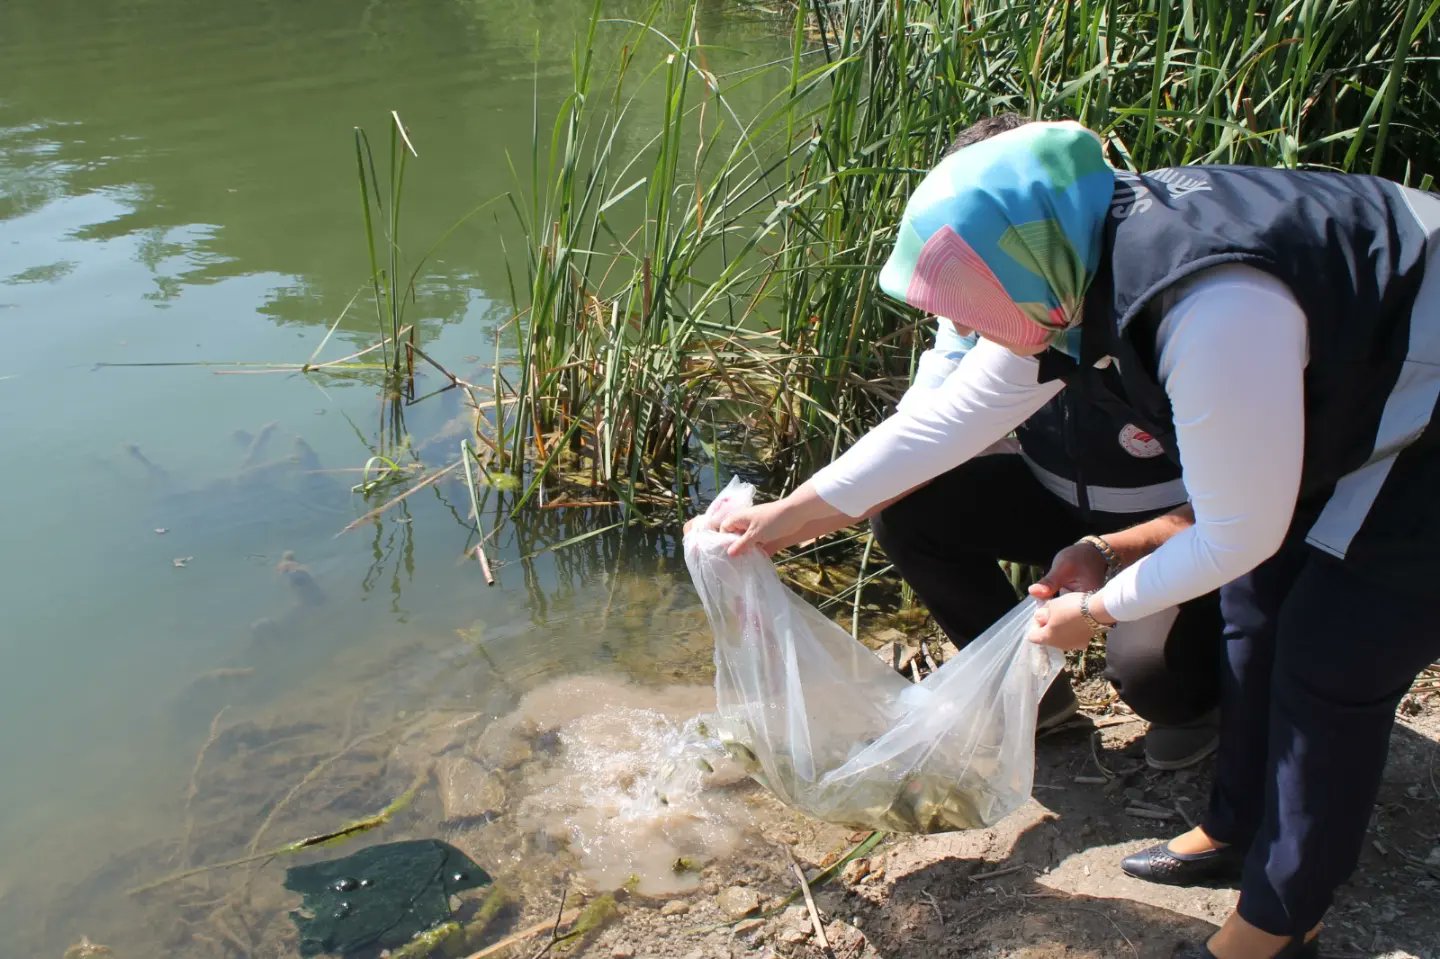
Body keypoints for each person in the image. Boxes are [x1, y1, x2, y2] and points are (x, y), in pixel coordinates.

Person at [712, 120, 1440, 959]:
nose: (972, 324)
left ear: (1022, 256)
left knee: (1331, 651)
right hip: (1367, 387)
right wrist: (787, 518)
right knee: (1255, 610)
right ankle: (1237, 826)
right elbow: (946, 421)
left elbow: (1239, 529)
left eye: (977, 298)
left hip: (1424, 416)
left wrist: (1093, 608)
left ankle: (1280, 920)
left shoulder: (1208, 303)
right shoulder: (1073, 259)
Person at [883, 113, 1222, 770]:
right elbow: (918, 431)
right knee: (905, 509)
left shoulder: (1148, 288)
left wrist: (1105, 586)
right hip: (1061, 503)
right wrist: (780, 526)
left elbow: (1244, 506)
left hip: (1175, 523)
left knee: (1151, 676)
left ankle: (1206, 697)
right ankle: (1034, 700)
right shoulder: (984, 302)